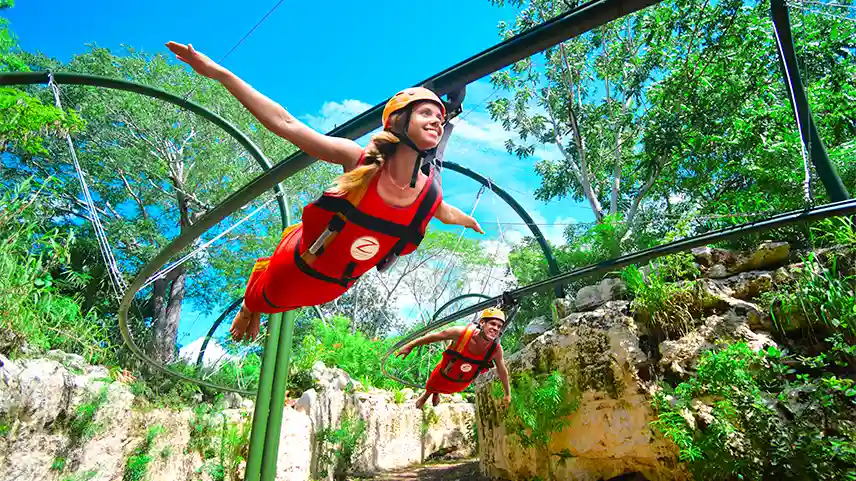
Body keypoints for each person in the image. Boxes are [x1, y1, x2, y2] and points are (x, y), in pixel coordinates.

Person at [165, 42, 484, 341]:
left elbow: (443, 210)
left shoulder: (428, 192)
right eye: (426, 113)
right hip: (295, 268)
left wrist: (465, 220)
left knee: (282, 303)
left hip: (334, 286)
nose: (437, 121)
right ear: (399, 121)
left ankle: (256, 304)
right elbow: (286, 123)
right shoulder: (357, 159)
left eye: (441, 117)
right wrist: (220, 74)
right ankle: (250, 307)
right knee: (262, 299)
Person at [396, 307, 511, 409]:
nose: (496, 328)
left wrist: (507, 393)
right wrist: (410, 346)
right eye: (492, 324)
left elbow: (502, 370)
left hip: (461, 383)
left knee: (443, 387)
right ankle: (427, 395)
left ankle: (436, 393)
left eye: (499, 326)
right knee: (432, 385)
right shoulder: (461, 333)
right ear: (482, 323)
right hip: (443, 375)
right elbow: (434, 337)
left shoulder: (496, 349)